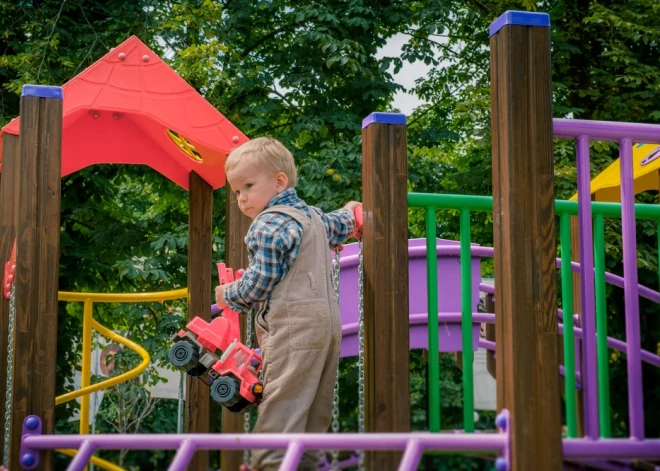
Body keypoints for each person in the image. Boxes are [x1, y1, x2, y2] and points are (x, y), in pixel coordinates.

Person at [215, 136, 361, 471]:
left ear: (279, 182)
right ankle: (305, 465)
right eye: (237, 191)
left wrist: (230, 294)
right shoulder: (312, 217)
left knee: (282, 403)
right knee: (313, 409)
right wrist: (354, 213)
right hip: (327, 331)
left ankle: (269, 465)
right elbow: (340, 224)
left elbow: (259, 283)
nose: (242, 198)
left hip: (293, 331)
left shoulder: (266, 224)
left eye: (248, 186)